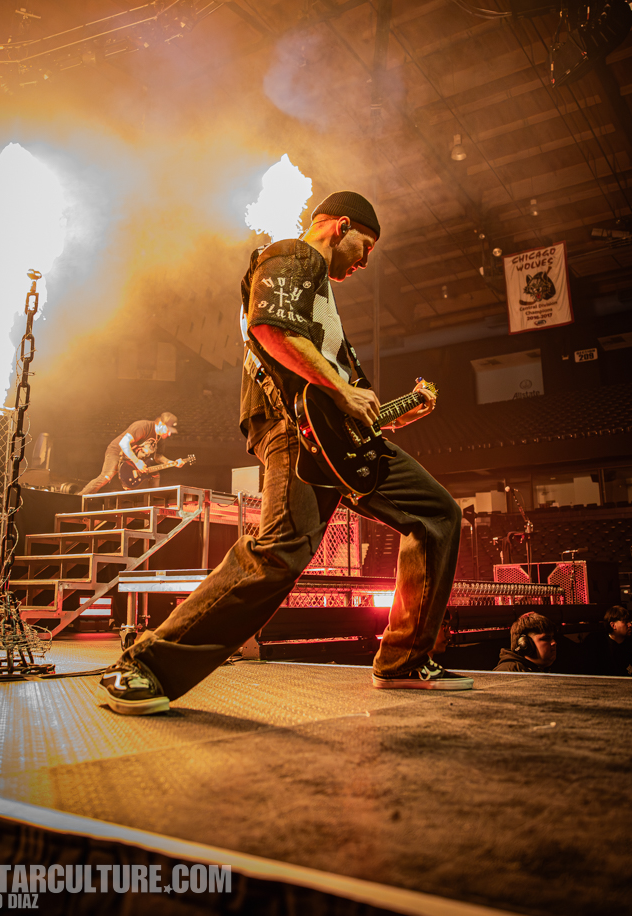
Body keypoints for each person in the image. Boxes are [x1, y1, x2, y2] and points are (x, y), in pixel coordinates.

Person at [97, 191, 471, 715]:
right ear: (341, 226)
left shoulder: (321, 296)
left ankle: (405, 660)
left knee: (437, 514)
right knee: (281, 549)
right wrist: (341, 391)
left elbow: (337, 391)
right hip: (294, 428)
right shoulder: (294, 254)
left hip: (337, 438)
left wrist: (386, 415)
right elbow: (269, 328)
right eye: (366, 245)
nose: (365, 261)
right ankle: (147, 666)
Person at [79, 412, 178, 496]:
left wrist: (172, 462)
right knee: (107, 476)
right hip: (117, 451)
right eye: (168, 430)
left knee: (154, 475)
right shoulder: (143, 426)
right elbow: (123, 443)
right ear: (160, 424)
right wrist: (137, 462)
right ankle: (80, 497)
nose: (169, 434)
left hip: (131, 459)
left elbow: (158, 457)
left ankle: (152, 502)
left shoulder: (160, 438)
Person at [582, 606, 632, 677]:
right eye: (625, 622)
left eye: (630, 621)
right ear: (613, 625)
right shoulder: (599, 645)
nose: (630, 625)